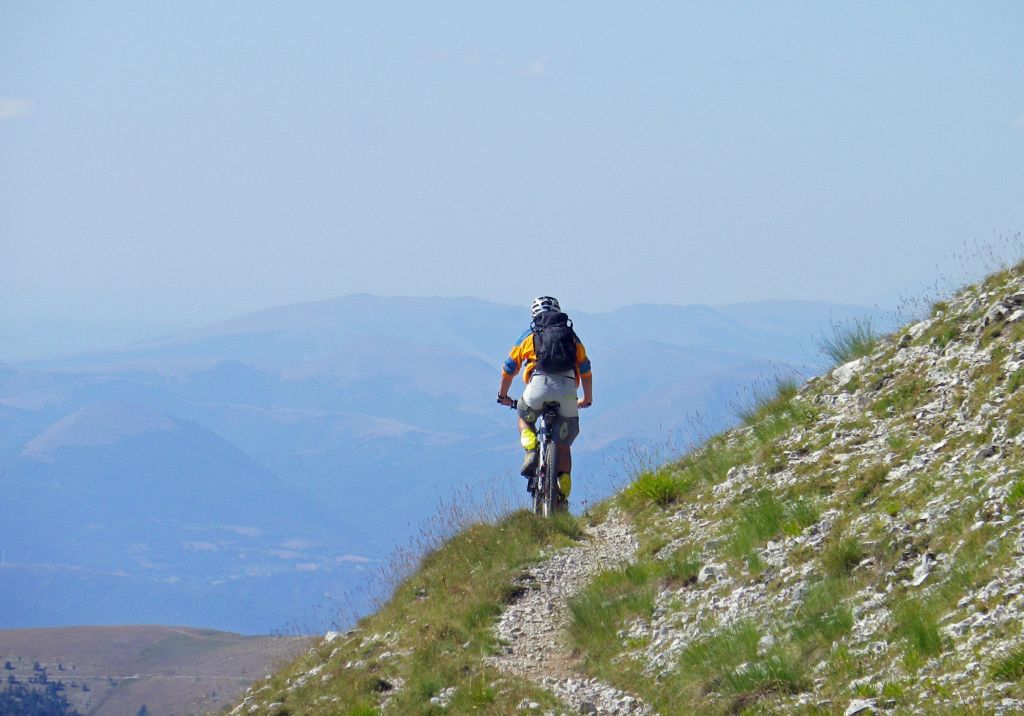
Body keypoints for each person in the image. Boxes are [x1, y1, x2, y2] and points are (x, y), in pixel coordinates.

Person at [497, 296, 593, 503]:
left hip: (537, 387)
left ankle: (531, 448)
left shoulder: (528, 335)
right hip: (568, 390)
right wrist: (587, 398)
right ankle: (563, 487)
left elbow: (508, 369)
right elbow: (585, 370)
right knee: (563, 444)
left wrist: (503, 396)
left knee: (524, 416)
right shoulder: (571, 336)